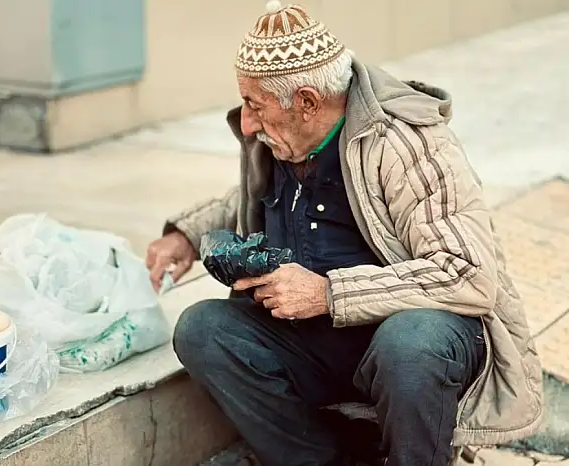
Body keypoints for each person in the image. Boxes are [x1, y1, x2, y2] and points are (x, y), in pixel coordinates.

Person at [144, 2, 543, 466]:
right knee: (203, 329)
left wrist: (329, 292)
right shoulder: (285, 139)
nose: (245, 122)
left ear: (309, 102)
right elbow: (246, 197)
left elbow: (468, 274)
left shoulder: (405, 143)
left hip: (408, 340)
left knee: (409, 345)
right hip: (324, 342)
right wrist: (187, 235)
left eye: (255, 105)